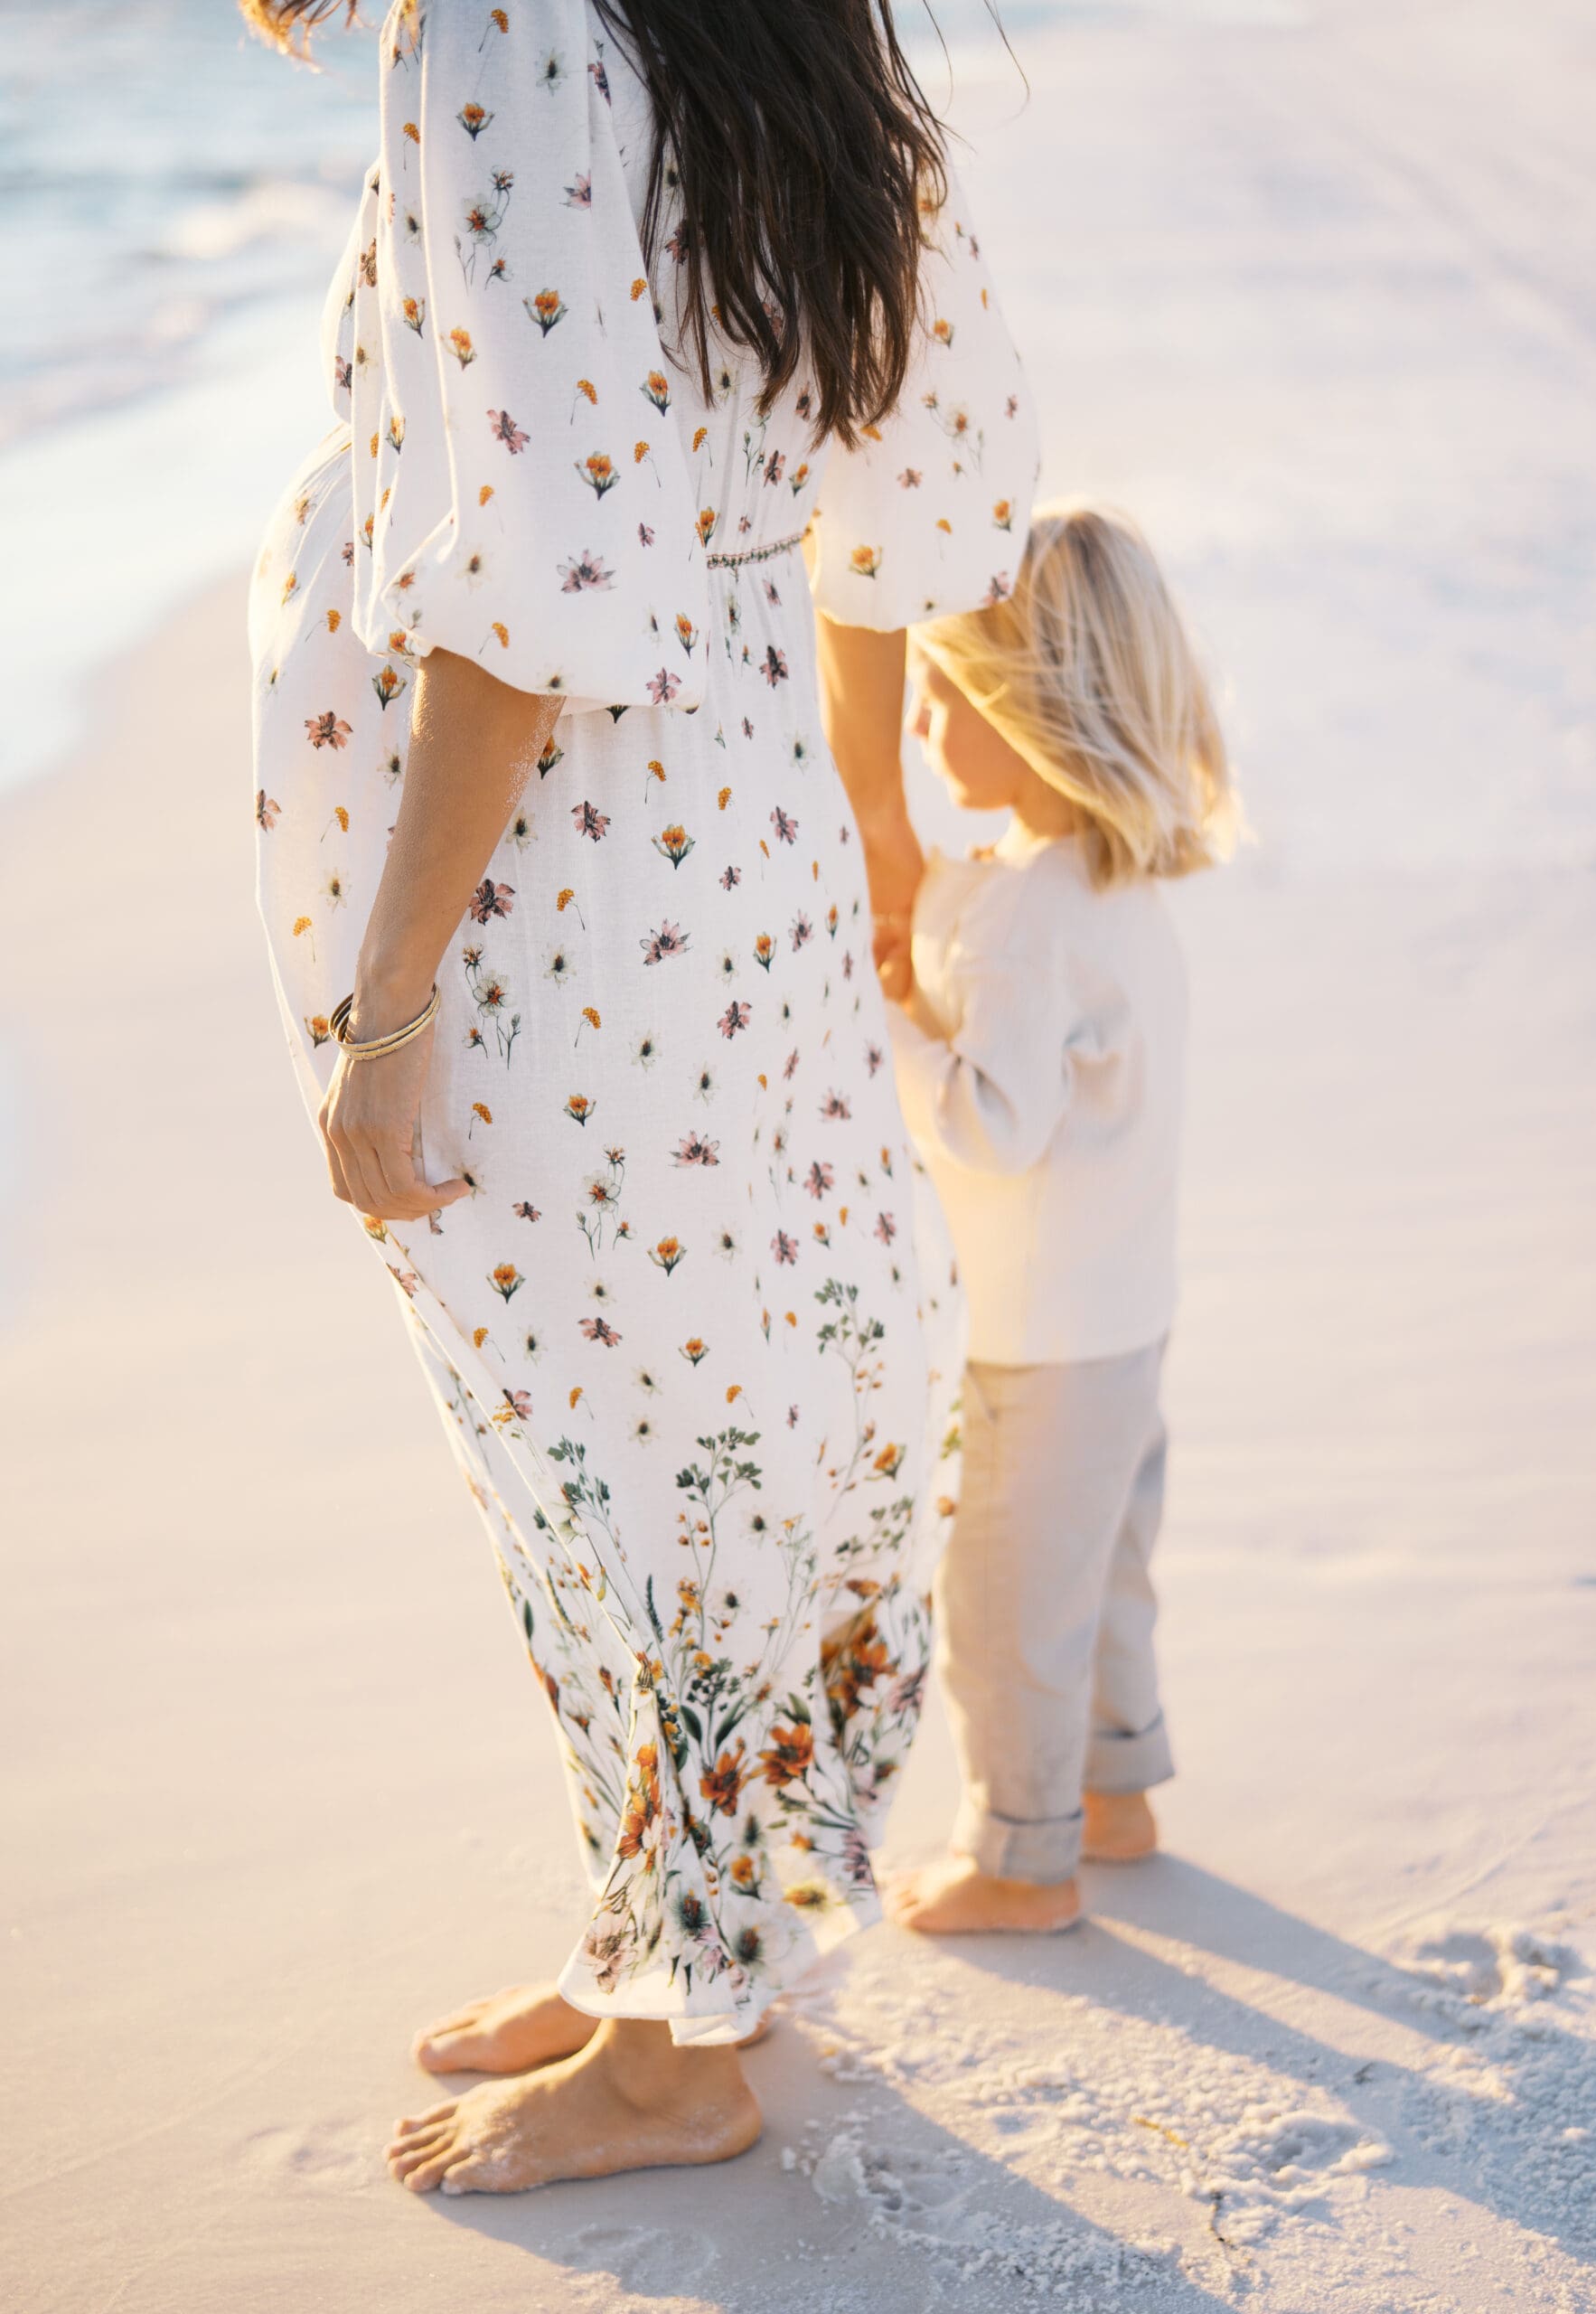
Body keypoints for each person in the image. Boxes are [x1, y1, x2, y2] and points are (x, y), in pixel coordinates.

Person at [242, 0, 1037, 2191]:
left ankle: (680, 2047)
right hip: (739, 812)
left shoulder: (500, 16)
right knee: (716, 1391)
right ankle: (666, 1953)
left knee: (596, 1438)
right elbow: (914, 444)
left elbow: (534, 575)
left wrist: (387, 999)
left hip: (564, 885)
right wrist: (860, 815)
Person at [878, 503, 1235, 1935]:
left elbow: (987, 1125)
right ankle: (1116, 1792)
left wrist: (878, 1019)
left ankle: (1022, 1859)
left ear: (1024, 710)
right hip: (1124, 1318)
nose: (921, 714)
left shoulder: (1026, 914)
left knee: (1006, 1604)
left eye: (944, 689)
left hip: (1032, 1342)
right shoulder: (1113, 884)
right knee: (1107, 1571)